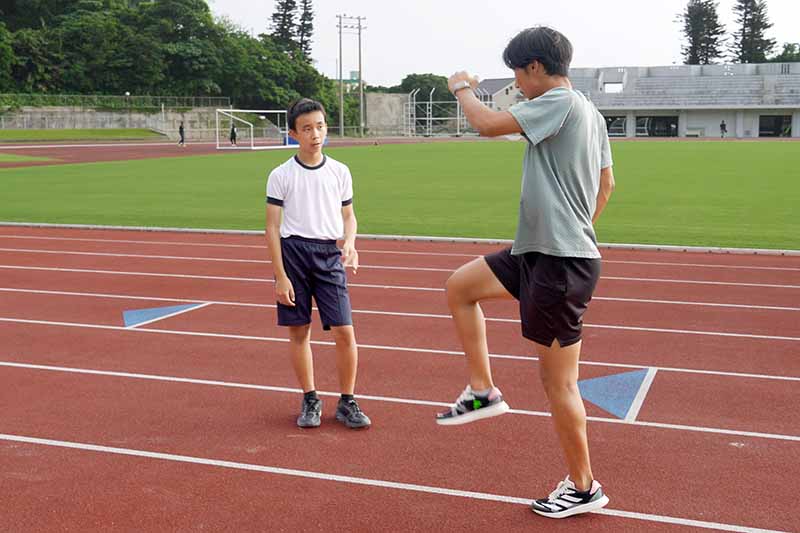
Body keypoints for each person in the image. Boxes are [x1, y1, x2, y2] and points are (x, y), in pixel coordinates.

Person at [436, 26, 615, 519]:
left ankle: (583, 487)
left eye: (518, 74)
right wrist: (575, 227)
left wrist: (461, 88)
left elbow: (488, 125)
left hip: (559, 262)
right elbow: (607, 185)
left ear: (536, 68)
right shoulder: (592, 115)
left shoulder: (560, 101)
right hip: (537, 251)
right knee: (460, 288)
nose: (517, 84)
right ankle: (482, 390)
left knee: (559, 386)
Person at [265, 98, 370, 430]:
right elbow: (272, 227)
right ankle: (310, 397)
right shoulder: (280, 175)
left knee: (344, 332)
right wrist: (280, 276)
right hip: (293, 253)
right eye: (307, 128)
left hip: (328, 254)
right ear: (293, 133)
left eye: (320, 126)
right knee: (300, 332)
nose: (315, 134)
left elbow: (349, 216)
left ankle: (347, 400)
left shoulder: (340, 171)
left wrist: (350, 242)